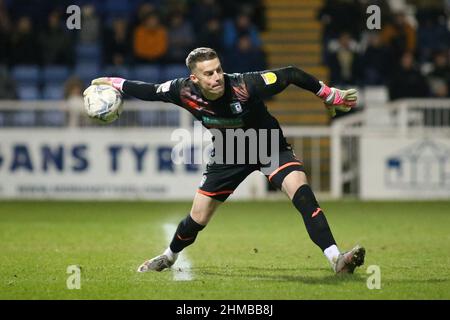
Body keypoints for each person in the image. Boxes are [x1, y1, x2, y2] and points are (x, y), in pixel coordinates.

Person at [88, 47, 365, 274]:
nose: (217, 77)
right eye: (208, 73)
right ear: (194, 79)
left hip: (267, 145)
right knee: (197, 218)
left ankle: (336, 259)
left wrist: (329, 94)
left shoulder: (245, 84)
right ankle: (168, 257)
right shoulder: (182, 91)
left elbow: (291, 73)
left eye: (218, 69)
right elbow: (148, 90)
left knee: (303, 196)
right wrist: (114, 83)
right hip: (230, 152)